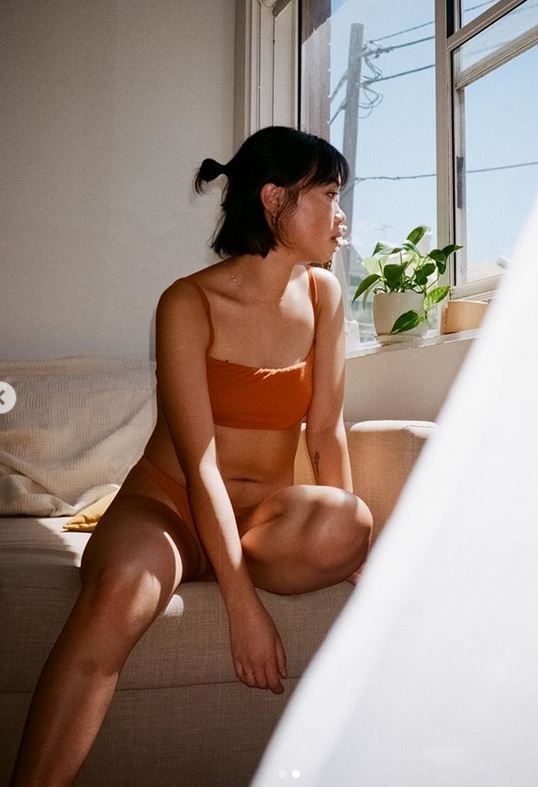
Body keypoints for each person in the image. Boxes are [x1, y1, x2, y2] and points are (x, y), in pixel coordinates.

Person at [10, 125, 374, 786]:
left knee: (350, 519)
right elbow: (199, 462)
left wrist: (351, 553)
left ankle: (253, 554)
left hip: (260, 518)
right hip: (170, 508)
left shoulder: (325, 297)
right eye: (327, 194)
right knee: (120, 590)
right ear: (274, 199)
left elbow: (325, 433)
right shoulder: (188, 302)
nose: (340, 213)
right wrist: (242, 606)